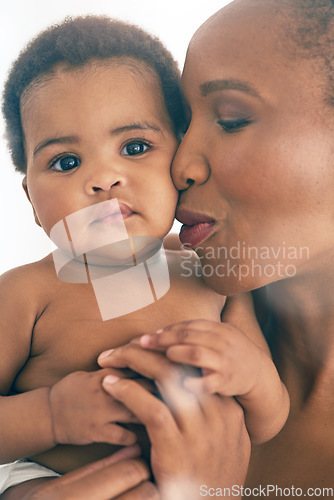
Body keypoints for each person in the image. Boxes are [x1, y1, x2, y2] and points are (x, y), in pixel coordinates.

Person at [0, 14, 288, 499]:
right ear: (31, 200)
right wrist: (50, 414)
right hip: (52, 481)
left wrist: (251, 374)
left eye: (135, 147)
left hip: (200, 481)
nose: (104, 178)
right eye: (66, 162)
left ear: (180, 161)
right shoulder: (25, 294)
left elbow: (267, 421)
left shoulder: (210, 276)